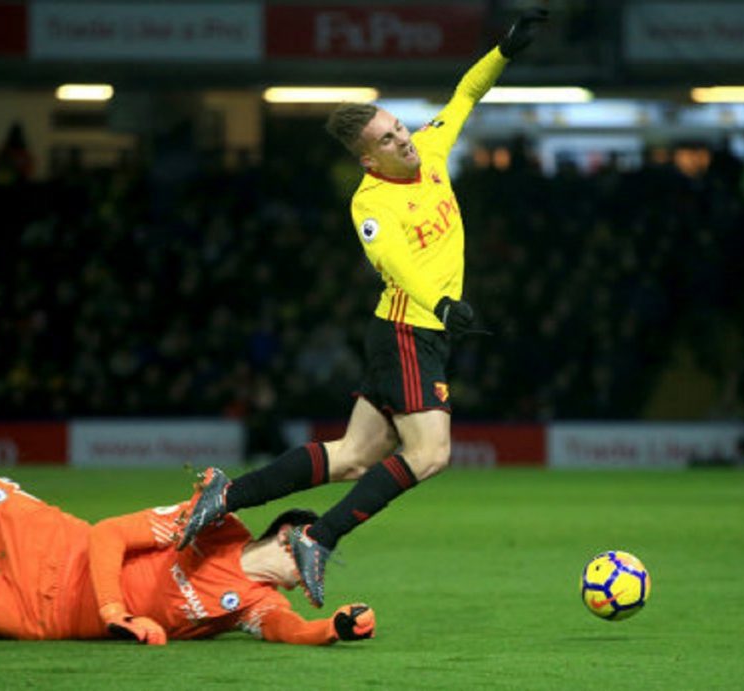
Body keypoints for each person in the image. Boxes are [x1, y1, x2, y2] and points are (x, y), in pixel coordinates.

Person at [177, 9, 550, 607]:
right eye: (388, 140)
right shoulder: (370, 203)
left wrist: (502, 51)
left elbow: (465, 94)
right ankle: (317, 538)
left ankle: (226, 495)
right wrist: (442, 302)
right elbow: (394, 263)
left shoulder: (431, 148)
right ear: (369, 159)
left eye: (399, 127)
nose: (404, 140)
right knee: (431, 454)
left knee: (352, 458)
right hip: (408, 330)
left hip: (416, 330)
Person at [0, 447, 376, 645]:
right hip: (50, 543)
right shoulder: (214, 524)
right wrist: (114, 611)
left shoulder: (256, 604)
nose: (314, 573)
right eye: (316, 554)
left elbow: (290, 630)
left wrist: (333, 627)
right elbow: (107, 534)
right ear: (287, 538)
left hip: (38, 620)